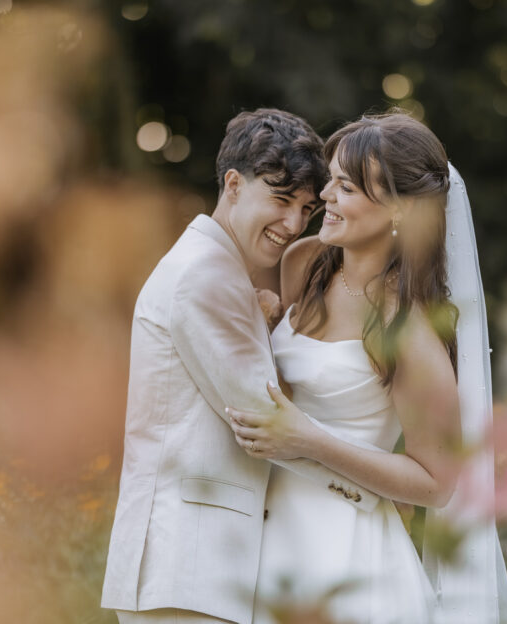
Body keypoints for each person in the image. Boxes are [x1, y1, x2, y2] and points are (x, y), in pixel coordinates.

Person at [227, 111, 507, 623]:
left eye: (345, 187)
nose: (325, 198)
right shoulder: (303, 264)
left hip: (348, 554)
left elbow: (436, 482)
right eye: (331, 181)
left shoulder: (406, 329)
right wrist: (265, 323)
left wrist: (310, 440)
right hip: (264, 534)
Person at [101, 108, 382, 624]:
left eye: (305, 209)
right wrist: (377, 493)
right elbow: (267, 419)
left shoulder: (214, 271)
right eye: (279, 200)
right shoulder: (206, 276)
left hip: (192, 570)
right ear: (233, 183)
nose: (293, 224)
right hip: (187, 566)